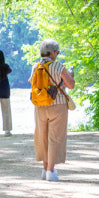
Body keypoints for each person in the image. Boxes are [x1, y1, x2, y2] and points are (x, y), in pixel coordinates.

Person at [29, 39, 74, 181]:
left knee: (43, 137)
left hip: (39, 106)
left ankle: (44, 169)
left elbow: (32, 82)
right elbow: (70, 85)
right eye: (57, 52)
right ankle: (51, 171)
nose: (57, 54)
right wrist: (71, 76)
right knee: (55, 137)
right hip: (58, 104)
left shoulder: (35, 66)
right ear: (53, 52)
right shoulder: (58, 66)